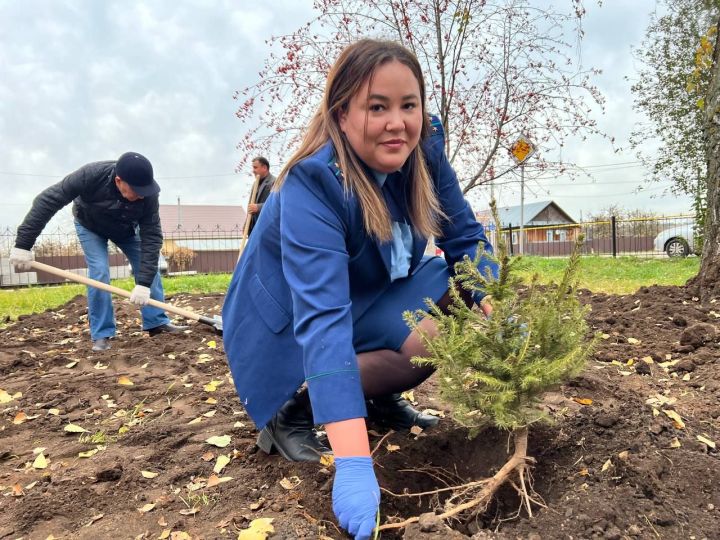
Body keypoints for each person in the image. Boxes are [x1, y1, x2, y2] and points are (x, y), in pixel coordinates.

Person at [222, 39, 497, 539]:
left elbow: (464, 237)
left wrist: (497, 305)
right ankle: (294, 410)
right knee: (390, 342)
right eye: (377, 107)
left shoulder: (423, 151)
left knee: (448, 309)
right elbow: (322, 319)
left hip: (366, 290)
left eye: (408, 105)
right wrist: (353, 461)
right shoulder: (314, 182)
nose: (398, 123)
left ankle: (376, 396)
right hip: (285, 319)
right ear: (342, 112)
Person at [10, 152, 187, 352]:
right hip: (90, 226)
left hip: (126, 228)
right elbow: (48, 201)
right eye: (136, 190)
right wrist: (23, 244)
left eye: (144, 191)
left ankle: (157, 323)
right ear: (119, 181)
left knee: (148, 268)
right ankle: (102, 334)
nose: (141, 195)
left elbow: (152, 236)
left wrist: (144, 284)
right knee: (99, 272)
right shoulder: (90, 175)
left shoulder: (148, 194)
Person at [246, 156, 276, 237]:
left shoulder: (274, 182)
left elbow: (276, 204)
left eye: (255, 167)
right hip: (254, 228)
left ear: (264, 168)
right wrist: (246, 224)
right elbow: (250, 207)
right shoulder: (255, 183)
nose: (253, 171)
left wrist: (258, 207)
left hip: (266, 229)